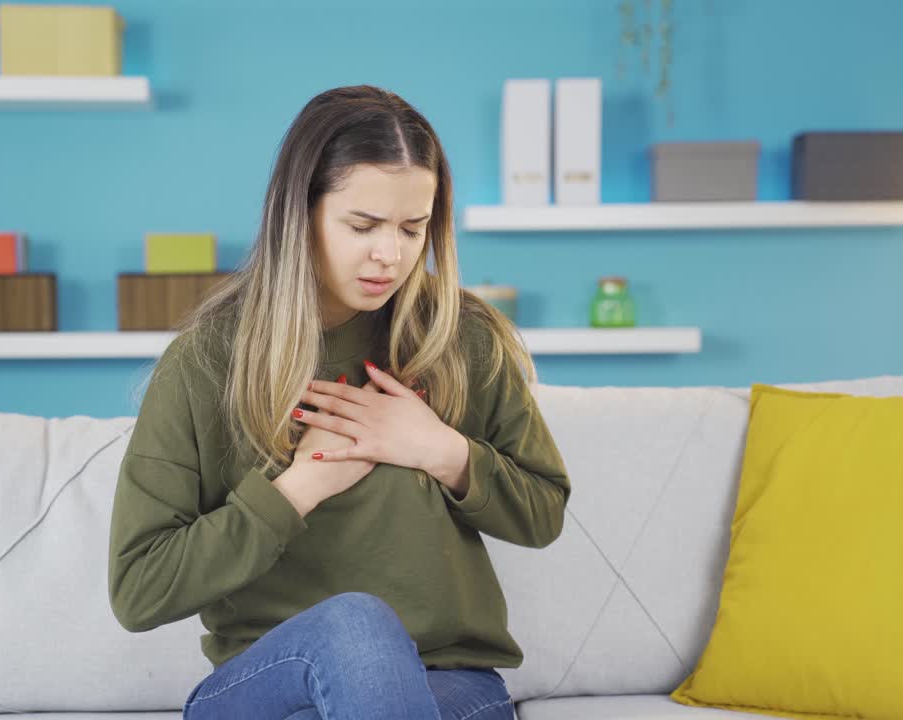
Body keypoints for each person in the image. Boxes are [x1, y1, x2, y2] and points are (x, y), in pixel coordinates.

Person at [108, 84, 571, 720]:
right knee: (354, 626)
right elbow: (139, 590)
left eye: (414, 229)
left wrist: (442, 451)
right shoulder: (207, 362)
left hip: (446, 681)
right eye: (363, 226)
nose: (392, 254)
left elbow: (544, 512)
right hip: (266, 685)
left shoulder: (461, 336)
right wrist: (298, 489)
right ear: (300, 213)